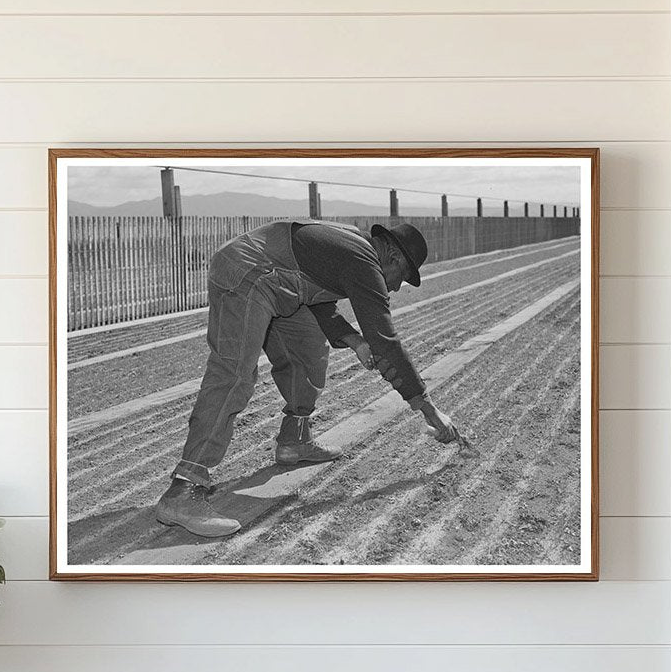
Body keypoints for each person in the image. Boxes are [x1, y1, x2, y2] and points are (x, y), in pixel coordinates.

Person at [155, 219, 460, 537]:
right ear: (393, 258)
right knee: (234, 374)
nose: (396, 288)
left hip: (279, 283)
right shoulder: (364, 262)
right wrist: (428, 408)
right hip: (250, 272)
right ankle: (184, 489)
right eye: (402, 279)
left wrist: (355, 342)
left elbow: (320, 300)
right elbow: (385, 341)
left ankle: (295, 441)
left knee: (309, 352)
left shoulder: (352, 250)